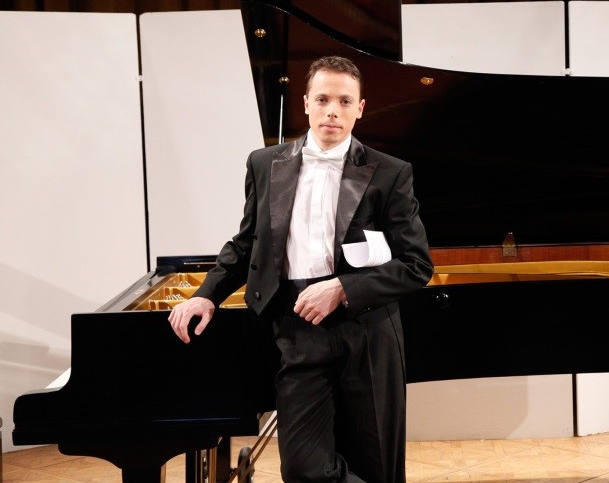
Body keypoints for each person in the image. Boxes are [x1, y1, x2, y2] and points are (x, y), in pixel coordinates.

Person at [167, 55, 433, 483]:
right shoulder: (264, 163)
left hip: (367, 333)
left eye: (345, 101)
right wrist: (205, 293)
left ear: (360, 108)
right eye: (323, 99)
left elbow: (416, 265)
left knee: (376, 465)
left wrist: (343, 288)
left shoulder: (390, 173)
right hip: (296, 329)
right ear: (305, 103)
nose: (333, 110)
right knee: (304, 469)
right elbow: (246, 242)